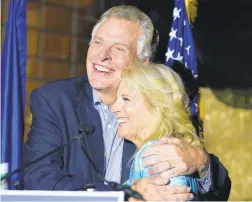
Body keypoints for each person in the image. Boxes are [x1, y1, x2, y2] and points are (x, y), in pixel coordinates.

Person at [24, 5, 231, 201]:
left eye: (119, 49)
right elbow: (38, 179)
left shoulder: (158, 104)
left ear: (142, 63)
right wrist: (123, 196)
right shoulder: (54, 100)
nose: (102, 56)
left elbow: (216, 191)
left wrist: (201, 162)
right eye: (98, 42)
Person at [111, 63, 204, 200]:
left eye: (126, 99)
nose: (114, 108)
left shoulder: (156, 154)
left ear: (156, 106)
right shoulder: (168, 150)